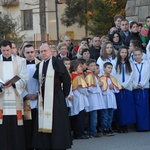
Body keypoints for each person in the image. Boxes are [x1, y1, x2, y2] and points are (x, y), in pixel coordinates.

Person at [32, 43, 72, 149]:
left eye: (45, 51)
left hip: (56, 97)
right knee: (43, 120)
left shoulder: (57, 63)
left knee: (57, 123)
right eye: (41, 51)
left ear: (50, 51)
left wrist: (64, 94)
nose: (43, 53)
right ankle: (45, 145)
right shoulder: (39, 65)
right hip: (43, 98)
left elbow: (67, 80)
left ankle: (58, 144)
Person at [0, 40, 28, 150]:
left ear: (11, 49)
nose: (6, 52)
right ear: (0, 49)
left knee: (16, 126)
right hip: (1, 99)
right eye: (3, 51)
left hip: (15, 97)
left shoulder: (20, 61)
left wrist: (14, 83)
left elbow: (24, 78)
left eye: (8, 50)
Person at [22, 44, 40, 150]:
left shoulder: (40, 64)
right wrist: (26, 95)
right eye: (27, 52)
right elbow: (18, 82)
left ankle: (38, 146)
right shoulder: (20, 66)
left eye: (32, 52)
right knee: (27, 125)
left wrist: (37, 94)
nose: (30, 54)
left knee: (37, 125)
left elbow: (43, 82)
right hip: (26, 100)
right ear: (24, 53)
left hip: (38, 99)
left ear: (35, 52)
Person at [115, 46, 136, 133]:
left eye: (125, 53)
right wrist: (119, 85)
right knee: (120, 107)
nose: (123, 54)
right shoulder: (115, 62)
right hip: (118, 88)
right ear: (119, 53)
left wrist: (125, 85)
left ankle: (126, 125)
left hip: (127, 88)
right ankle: (120, 125)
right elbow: (114, 75)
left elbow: (131, 75)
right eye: (122, 52)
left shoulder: (130, 63)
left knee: (127, 107)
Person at [99, 62, 122, 136]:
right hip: (105, 98)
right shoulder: (100, 78)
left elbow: (117, 89)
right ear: (104, 68)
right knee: (105, 115)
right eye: (108, 68)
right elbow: (100, 89)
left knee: (110, 115)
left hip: (111, 98)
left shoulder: (113, 78)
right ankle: (104, 128)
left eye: (111, 68)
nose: (110, 69)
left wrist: (113, 87)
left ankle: (109, 127)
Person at [69, 60, 89, 139]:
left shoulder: (73, 75)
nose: (81, 68)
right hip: (79, 98)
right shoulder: (77, 77)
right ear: (74, 68)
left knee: (76, 117)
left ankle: (78, 133)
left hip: (76, 98)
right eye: (79, 66)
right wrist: (86, 91)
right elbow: (83, 89)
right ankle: (79, 133)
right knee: (80, 117)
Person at [132, 48, 150, 131]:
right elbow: (132, 76)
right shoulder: (132, 64)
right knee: (137, 108)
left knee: (144, 108)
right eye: (135, 55)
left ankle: (145, 126)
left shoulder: (147, 63)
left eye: (139, 55)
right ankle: (138, 126)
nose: (137, 56)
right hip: (135, 88)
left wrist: (142, 84)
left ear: (142, 55)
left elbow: (147, 75)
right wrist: (135, 85)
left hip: (144, 88)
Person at [85, 59, 104, 137]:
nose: (93, 67)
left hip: (95, 98)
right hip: (92, 98)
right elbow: (90, 88)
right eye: (91, 66)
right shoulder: (89, 76)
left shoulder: (92, 75)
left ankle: (92, 130)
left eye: (94, 65)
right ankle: (93, 131)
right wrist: (99, 85)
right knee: (93, 116)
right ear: (88, 67)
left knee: (93, 115)